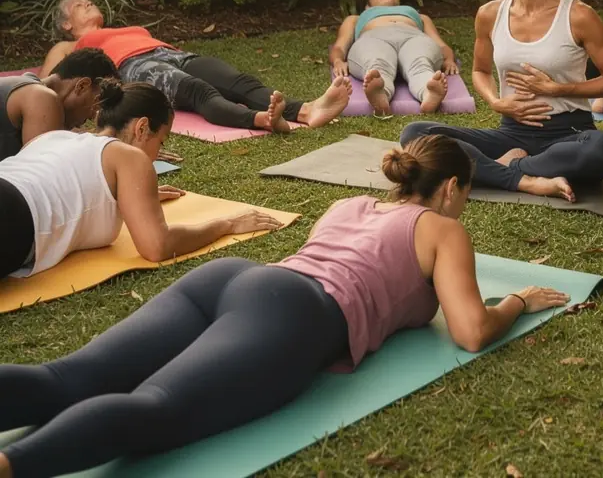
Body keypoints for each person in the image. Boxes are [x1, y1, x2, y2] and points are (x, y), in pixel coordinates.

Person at [0, 134, 569, 477]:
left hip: (232, 279)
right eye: (466, 194)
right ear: (450, 188)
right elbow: (470, 330)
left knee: (66, 378)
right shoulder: (443, 230)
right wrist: (516, 301)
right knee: (155, 408)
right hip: (291, 311)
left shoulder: (349, 205)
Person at [399, 0, 603, 202]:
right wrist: (495, 102)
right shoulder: (490, 13)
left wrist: (559, 89)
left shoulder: (579, 15)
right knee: (416, 134)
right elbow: (480, 71)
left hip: (569, 132)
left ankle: (506, 168)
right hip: (511, 134)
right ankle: (524, 179)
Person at [0, 80, 281, 281]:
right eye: (161, 141)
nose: (157, 153)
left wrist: (133, 198)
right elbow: (157, 246)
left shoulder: (53, 137)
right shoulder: (129, 157)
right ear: (142, 128)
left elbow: (56, 185)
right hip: (13, 213)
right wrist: (227, 224)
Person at [40, 0, 351, 134]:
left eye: (89, 1)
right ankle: (263, 120)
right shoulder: (68, 46)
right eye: (79, 5)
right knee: (199, 91)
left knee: (238, 82)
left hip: (170, 53)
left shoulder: (122, 29)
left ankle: (306, 111)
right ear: (67, 24)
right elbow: (48, 84)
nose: (88, 3)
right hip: (133, 66)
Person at [329, 0, 458, 115]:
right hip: (374, 39)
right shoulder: (355, 19)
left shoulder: (420, 17)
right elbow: (339, 46)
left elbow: (440, 44)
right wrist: (338, 61)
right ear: (367, 5)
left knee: (420, 62)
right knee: (376, 65)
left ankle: (428, 93)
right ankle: (380, 93)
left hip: (414, 38)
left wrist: (449, 60)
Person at [0, 49, 117, 161]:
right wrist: (105, 139)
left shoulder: (26, 88)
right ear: (82, 86)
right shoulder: (41, 97)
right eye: (97, 105)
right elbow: (44, 166)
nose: (93, 116)